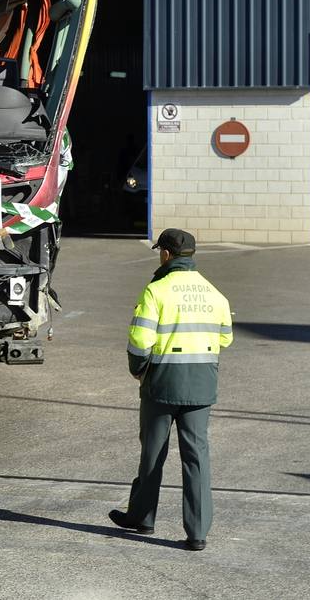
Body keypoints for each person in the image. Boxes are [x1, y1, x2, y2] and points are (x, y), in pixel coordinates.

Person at [109, 228, 233, 551]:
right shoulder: (214, 294)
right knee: (196, 457)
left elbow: (140, 342)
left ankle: (143, 517)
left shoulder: (156, 292)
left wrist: (139, 372)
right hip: (202, 385)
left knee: (153, 453)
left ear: (166, 254)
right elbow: (225, 338)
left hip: (162, 384)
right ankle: (198, 532)